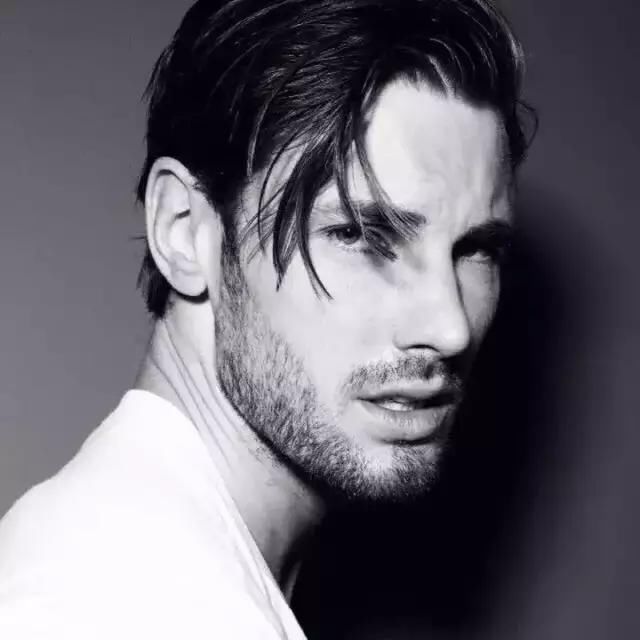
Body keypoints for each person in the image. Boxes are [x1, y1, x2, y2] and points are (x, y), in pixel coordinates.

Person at [0, 0, 532, 637]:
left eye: (477, 250)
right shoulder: (103, 605)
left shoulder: (161, 576)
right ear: (183, 231)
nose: (451, 329)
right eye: (361, 235)